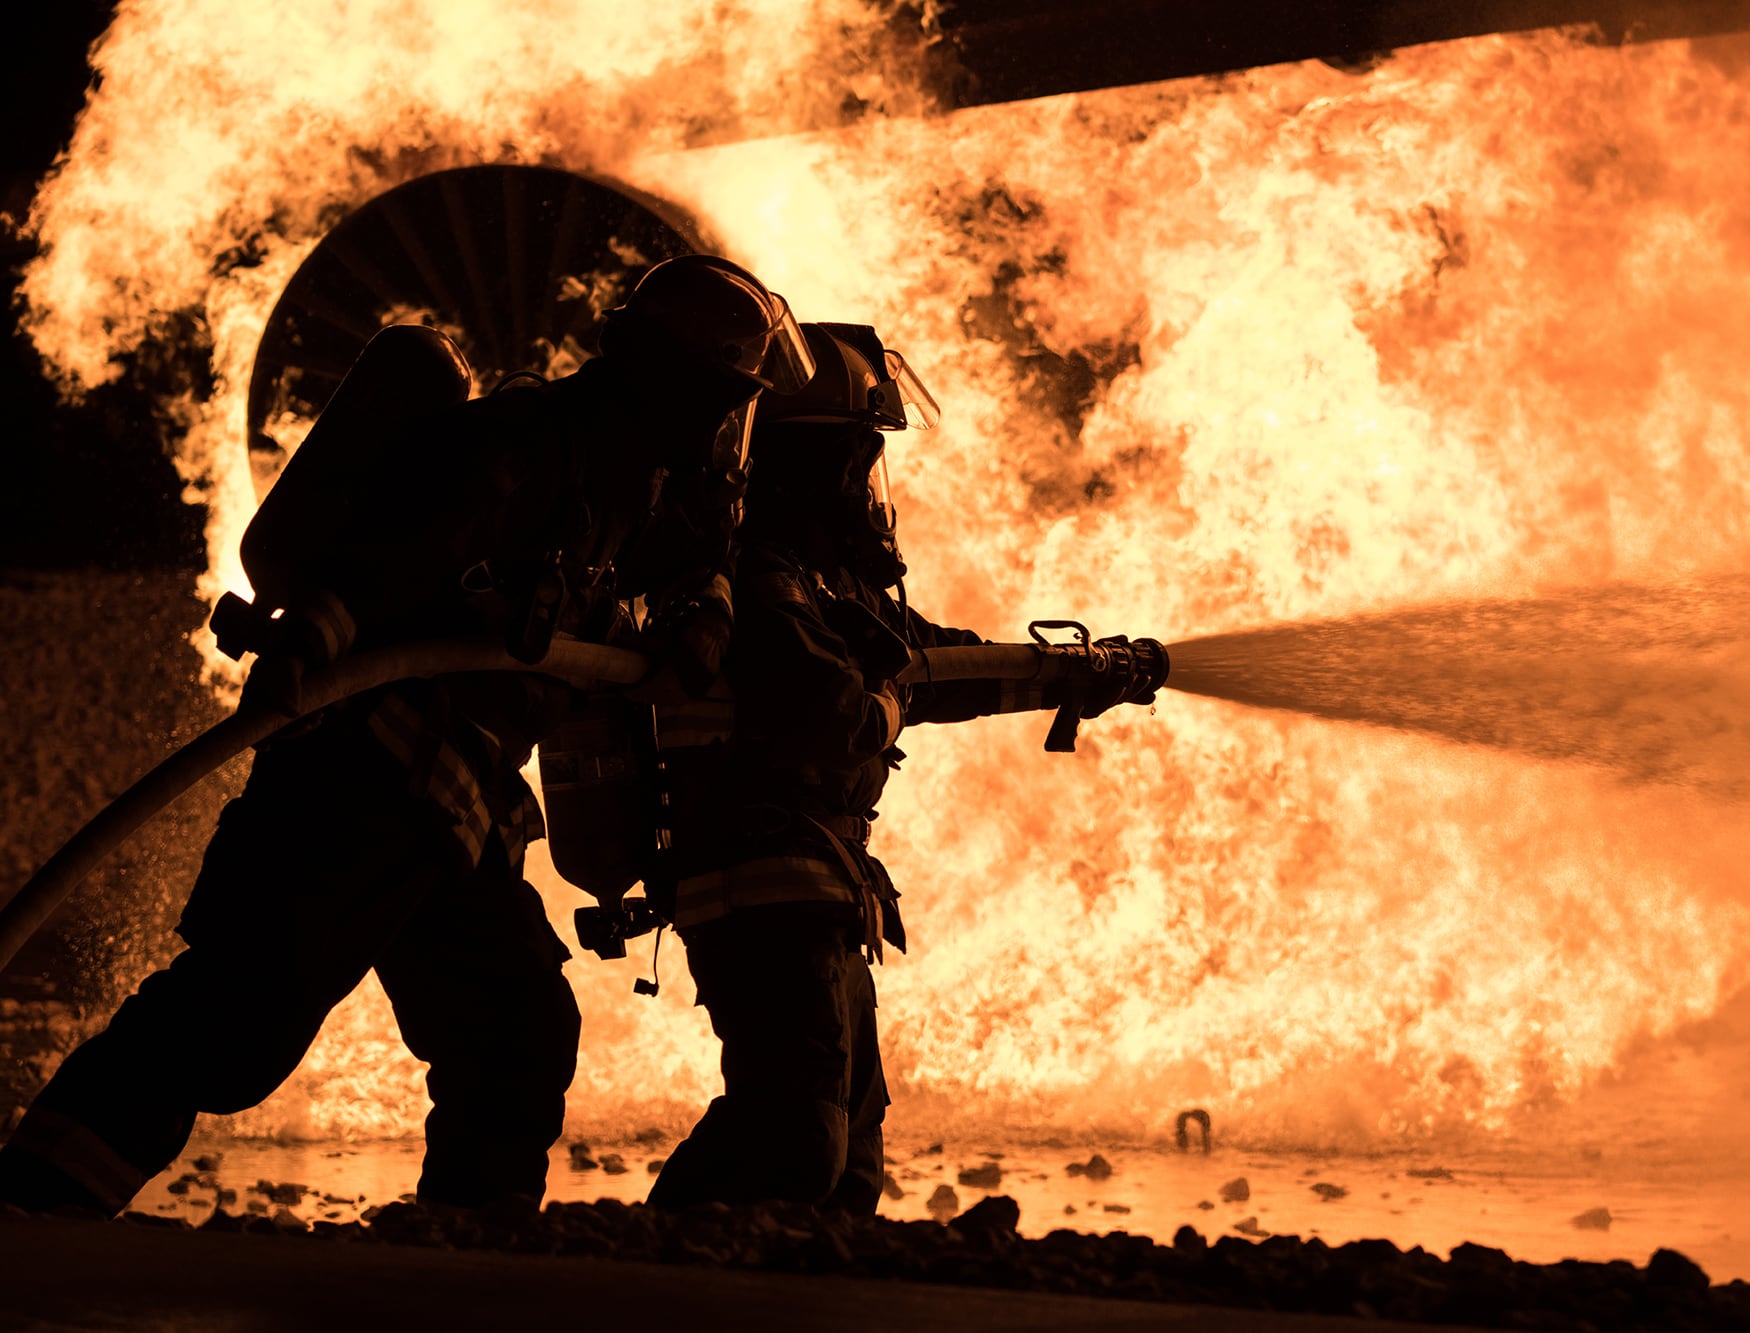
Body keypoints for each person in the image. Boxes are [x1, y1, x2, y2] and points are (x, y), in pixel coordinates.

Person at [0, 255, 815, 1216]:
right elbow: (407, 547)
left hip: (451, 812)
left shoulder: (619, 485)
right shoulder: (524, 445)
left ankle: (466, 1249)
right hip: (357, 780)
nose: (725, 427)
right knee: (236, 1018)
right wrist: (324, 630)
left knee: (515, 1030)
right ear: (674, 382)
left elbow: (692, 560)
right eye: (725, 401)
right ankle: (35, 1209)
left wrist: (705, 616)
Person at [643, 323, 1162, 1215]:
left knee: (850, 1156)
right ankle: (649, 1273)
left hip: (821, 883)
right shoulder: (761, 583)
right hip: (759, 880)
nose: (867, 488)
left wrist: (1077, 671)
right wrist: (897, 681)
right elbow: (841, 713)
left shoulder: (827, 592)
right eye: (856, 459)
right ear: (807, 466)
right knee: (796, 1137)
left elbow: (938, 664)